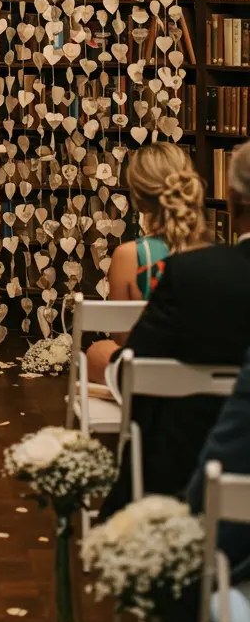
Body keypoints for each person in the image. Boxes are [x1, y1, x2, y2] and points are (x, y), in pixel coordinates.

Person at [102, 139, 250, 518]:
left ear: (233, 200)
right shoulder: (209, 262)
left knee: (104, 355)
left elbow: (134, 358)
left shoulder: (198, 273)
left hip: (183, 455)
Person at [87, 143, 209, 383]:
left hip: (150, 378)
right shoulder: (214, 253)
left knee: (98, 352)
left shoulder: (129, 256)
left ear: (139, 198)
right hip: (203, 371)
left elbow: (122, 339)